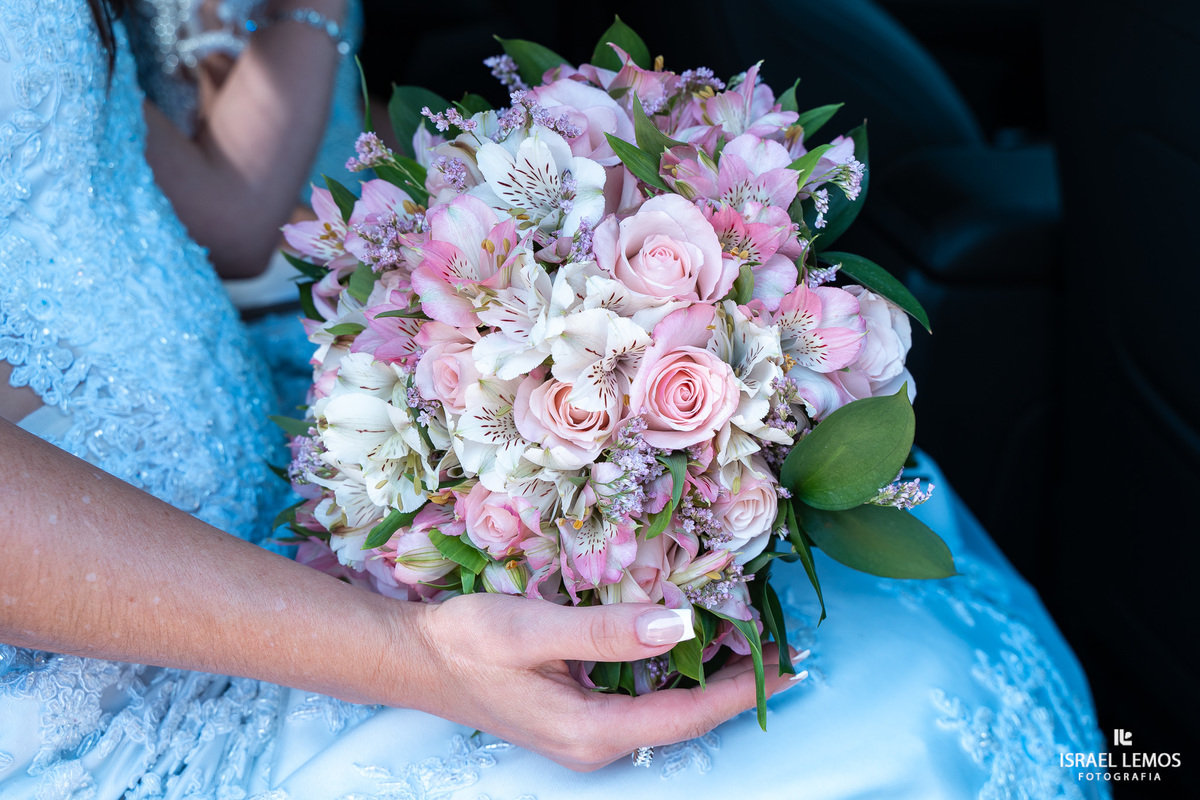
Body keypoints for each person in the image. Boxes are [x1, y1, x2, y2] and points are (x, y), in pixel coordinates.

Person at [0, 3, 1110, 799]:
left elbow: (178, 198)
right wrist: (415, 649)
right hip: (101, 655)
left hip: (264, 487)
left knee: (892, 636)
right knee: (895, 724)